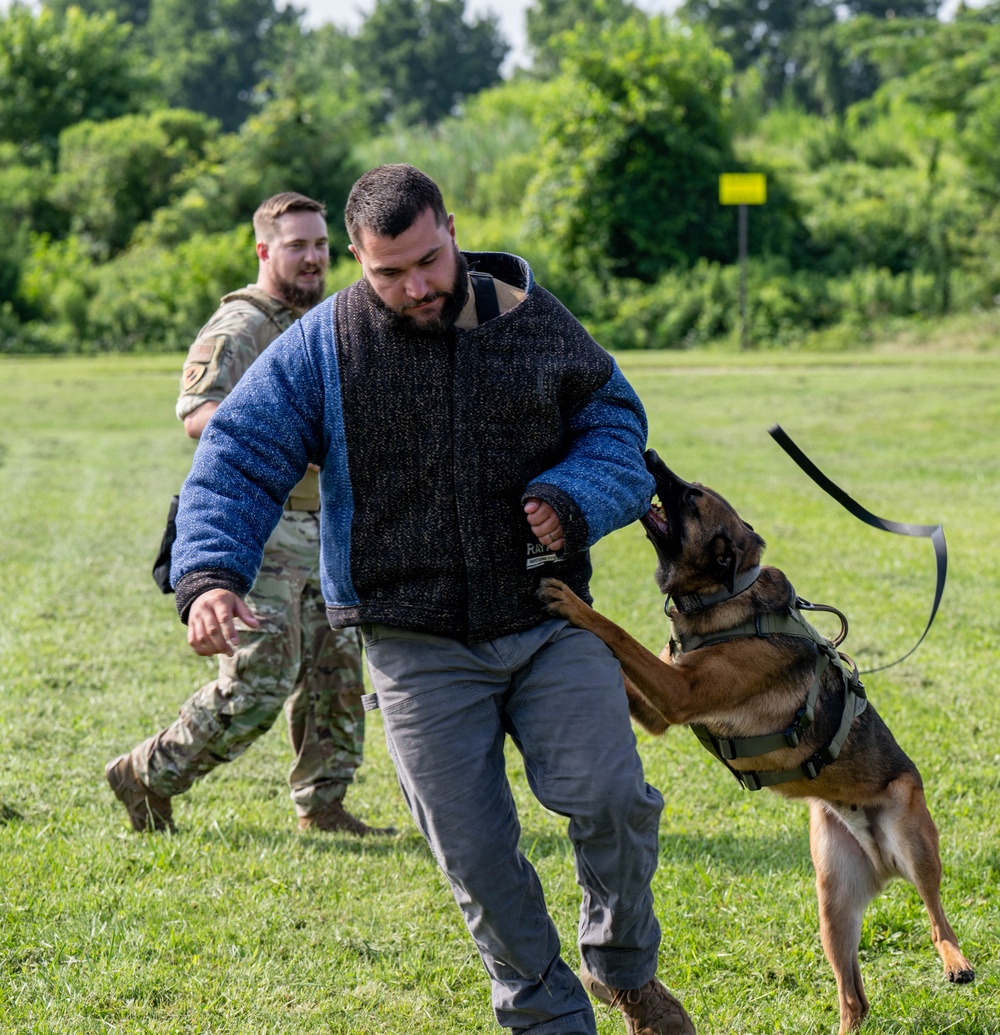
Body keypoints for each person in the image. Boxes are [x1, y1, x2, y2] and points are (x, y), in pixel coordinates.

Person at [167, 165, 695, 1035]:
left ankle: (624, 966)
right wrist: (212, 574)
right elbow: (238, 450)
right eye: (388, 273)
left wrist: (572, 498)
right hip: (414, 643)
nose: (414, 287)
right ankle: (548, 1015)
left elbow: (615, 426)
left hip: (548, 616)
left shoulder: (535, 320)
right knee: (478, 856)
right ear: (356, 260)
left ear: (453, 228)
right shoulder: (323, 347)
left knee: (613, 797)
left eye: (428, 260)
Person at [106, 191, 392, 838]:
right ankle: (147, 773)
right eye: (297, 246)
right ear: (265, 250)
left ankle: (323, 802)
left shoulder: (320, 321)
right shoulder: (242, 325)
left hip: (325, 527)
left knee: (336, 671)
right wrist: (296, 441)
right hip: (263, 528)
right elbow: (199, 415)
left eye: (320, 244)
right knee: (259, 681)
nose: (313, 257)